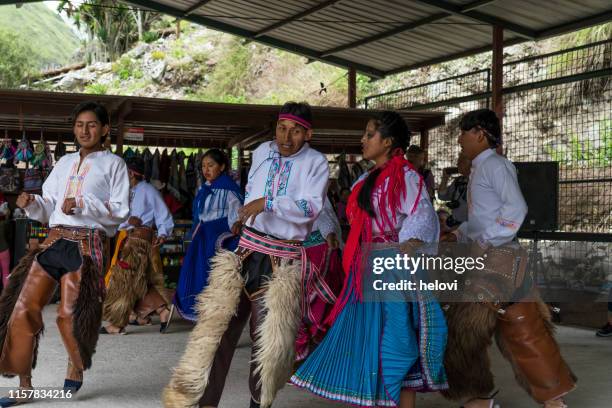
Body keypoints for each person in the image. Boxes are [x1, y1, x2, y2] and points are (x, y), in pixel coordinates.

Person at [163, 101, 329, 408]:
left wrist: (268, 203)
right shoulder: (264, 151)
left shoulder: (316, 162)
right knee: (217, 331)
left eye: (295, 131)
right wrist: (244, 214)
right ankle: (203, 403)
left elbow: (310, 208)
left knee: (265, 341)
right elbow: (252, 188)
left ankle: (258, 405)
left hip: (280, 259)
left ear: (309, 134)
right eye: (282, 128)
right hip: (243, 250)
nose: (286, 137)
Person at [291, 111, 447, 408]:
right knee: (370, 341)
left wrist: (410, 242)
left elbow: (421, 213)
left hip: (392, 266)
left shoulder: (406, 176)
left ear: (387, 142)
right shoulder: (366, 179)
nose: (362, 140)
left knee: (397, 337)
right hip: (366, 267)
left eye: (369, 135)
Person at [441, 109, 575, 408]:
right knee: (521, 328)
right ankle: (554, 400)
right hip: (503, 257)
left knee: (463, 330)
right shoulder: (482, 167)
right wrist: (461, 233)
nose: (460, 139)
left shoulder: (495, 165)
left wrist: (484, 241)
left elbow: (515, 210)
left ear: (479, 133)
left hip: (496, 261)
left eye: (464, 132)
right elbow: (486, 216)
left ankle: (479, 400)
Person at [0, 101, 130, 406]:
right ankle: (24, 385)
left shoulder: (115, 165)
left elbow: (121, 212)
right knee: (22, 309)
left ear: (105, 129)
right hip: (55, 239)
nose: (85, 130)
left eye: (92, 125)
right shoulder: (63, 164)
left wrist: (84, 205)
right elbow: (48, 208)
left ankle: (75, 363)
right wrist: (31, 202)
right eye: (79, 125)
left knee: (69, 316)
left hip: (86, 245)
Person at [100, 156, 174, 335]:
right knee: (138, 281)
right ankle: (162, 311)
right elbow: (119, 218)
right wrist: (126, 220)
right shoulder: (128, 191)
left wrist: (163, 232)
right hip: (131, 239)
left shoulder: (148, 189)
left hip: (140, 241)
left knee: (123, 280)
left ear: (131, 173)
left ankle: (118, 324)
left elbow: (163, 213)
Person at [173, 148, 243, 321]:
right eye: (203, 166)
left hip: (218, 236)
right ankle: (199, 309)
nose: (206, 170)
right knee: (196, 270)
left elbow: (237, 215)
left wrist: (236, 226)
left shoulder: (229, 189)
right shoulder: (204, 188)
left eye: (210, 165)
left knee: (211, 272)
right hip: (202, 235)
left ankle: (215, 313)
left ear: (222, 167)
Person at [295, 196, 344, 362]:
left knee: (318, 305)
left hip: (318, 255)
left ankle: (317, 356)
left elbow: (322, 215)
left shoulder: (312, 195)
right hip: (293, 256)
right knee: (295, 305)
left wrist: (329, 234)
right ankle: (299, 355)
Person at [438, 153, 470, 228]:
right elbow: (442, 196)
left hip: (470, 226)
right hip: (456, 224)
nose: (457, 163)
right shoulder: (459, 180)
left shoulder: (478, 181)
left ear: (470, 163)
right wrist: (445, 179)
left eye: (460, 161)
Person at [0, 201, 12, 289]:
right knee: (6, 273)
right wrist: (7, 215)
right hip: (4, 250)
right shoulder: (3, 224)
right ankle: (5, 296)